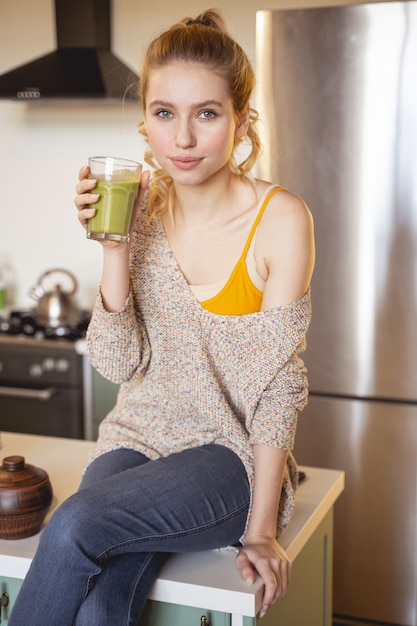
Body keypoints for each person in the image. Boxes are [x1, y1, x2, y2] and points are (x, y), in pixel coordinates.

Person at [9, 9, 314, 625]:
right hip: (138, 439)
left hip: (228, 457)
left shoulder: (280, 219)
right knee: (99, 603)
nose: (182, 138)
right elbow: (120, 363)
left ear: (241, 120)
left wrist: (260, 530)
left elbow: (278, 385)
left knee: (71, 526)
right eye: (164, 113)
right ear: (144, 121)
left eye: (206, 113)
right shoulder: (140, 211)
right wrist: (115, 248)